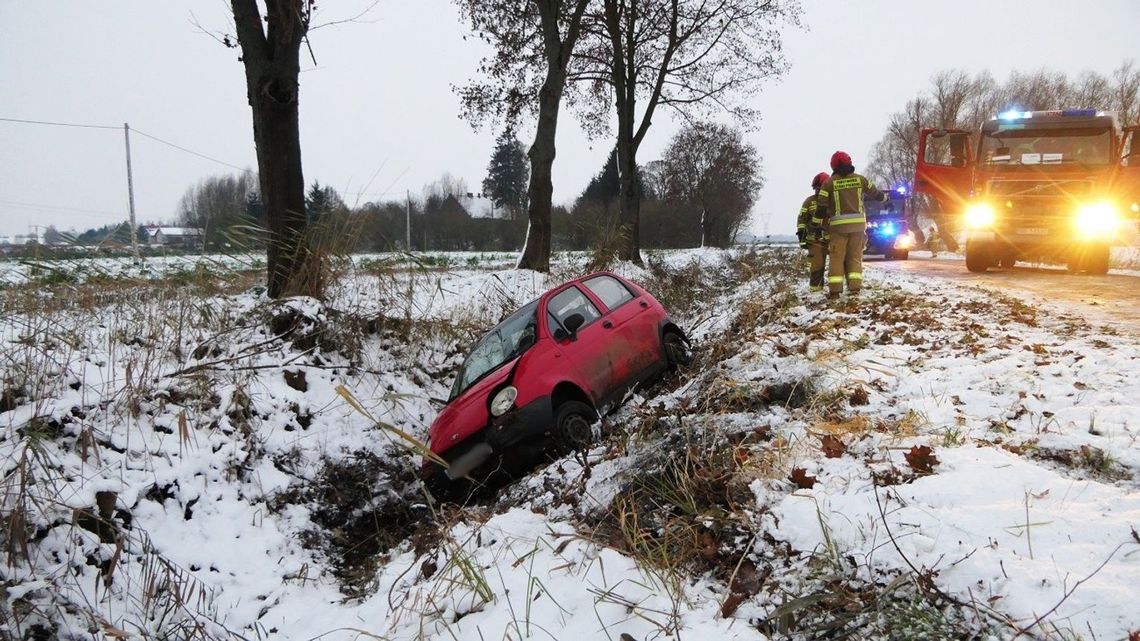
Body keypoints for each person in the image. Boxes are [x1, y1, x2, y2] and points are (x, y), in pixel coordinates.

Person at [814, 151, 887, 299]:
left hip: (838, 229)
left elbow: (821, 208)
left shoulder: (829, 183)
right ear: (849, 162)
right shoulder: (860, 180)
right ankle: (855, 289)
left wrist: (816, 223)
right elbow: (877, 194)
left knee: (837, 258)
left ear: (833, 165)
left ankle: (835, 291)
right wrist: (887, 200)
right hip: (859, 228)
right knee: (855, 258)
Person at [796, 172, 832, 291]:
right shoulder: (809, 201)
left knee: (837, 265)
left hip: (833, 239)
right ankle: (816, 291)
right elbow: (802, 219)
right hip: (815, 241)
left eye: (820, 188)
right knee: (816, 266)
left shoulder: (834, 201)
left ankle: (836, 290)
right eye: (816, 188)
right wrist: (801, 235)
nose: (818, 191)